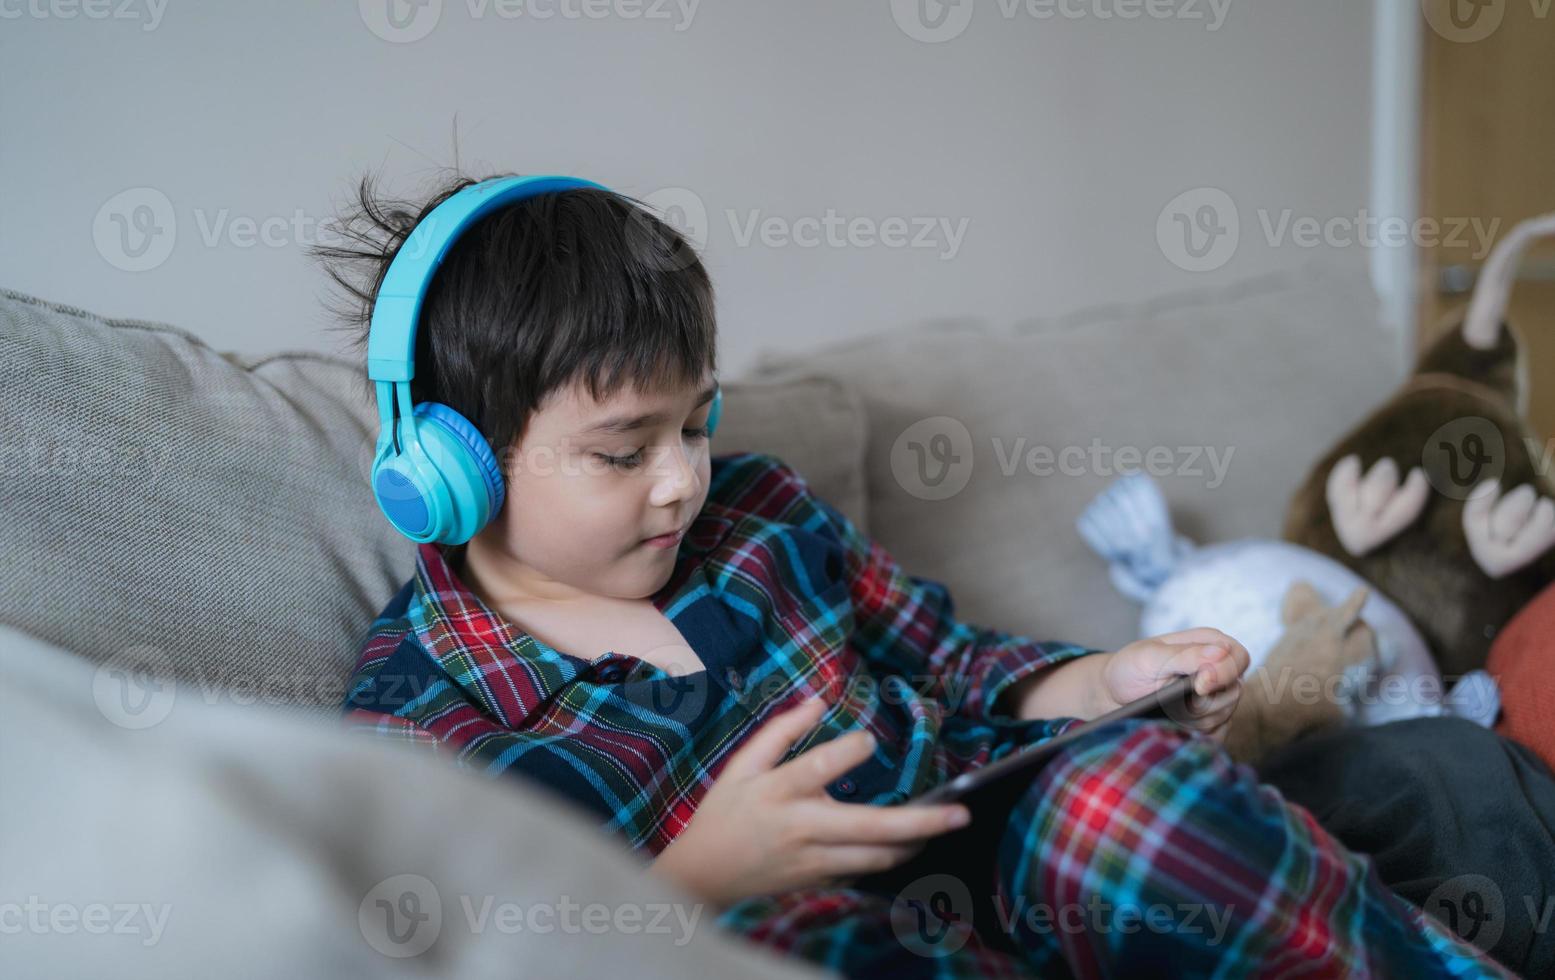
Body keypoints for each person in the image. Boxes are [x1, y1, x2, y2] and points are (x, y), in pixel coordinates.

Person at [321, 173, 1509, 978]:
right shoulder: (424, 708)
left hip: (1002, 857)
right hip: (788, 940)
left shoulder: (762, 517)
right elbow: (461, 940)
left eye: (696, 422)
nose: (683, 478)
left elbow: (963, 667)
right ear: (452, 467)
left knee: (1123, 794)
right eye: (626, 451)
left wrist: (1105, 680)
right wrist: (692, 875)